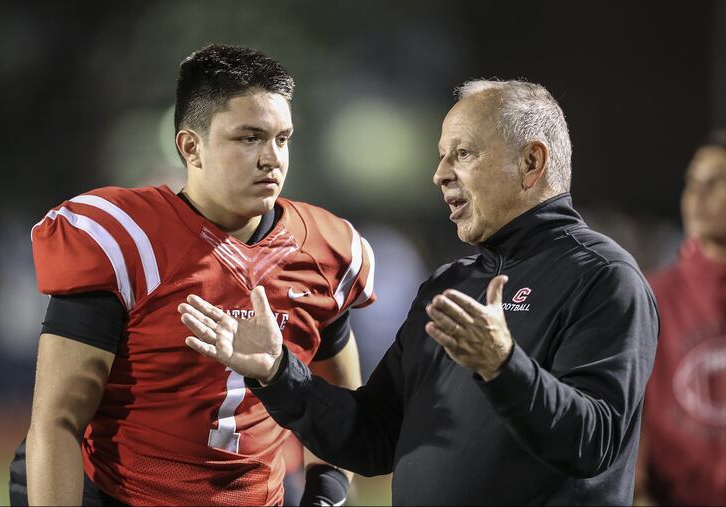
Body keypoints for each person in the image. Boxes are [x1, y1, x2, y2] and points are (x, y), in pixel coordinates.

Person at [179, 79, 659, 505]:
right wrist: (279, 373)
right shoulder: (451, 284)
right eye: (442, 155)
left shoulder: (602, 277)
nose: (441, 173)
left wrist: (503, 365)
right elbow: (374, 437)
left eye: (464, 154)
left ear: (531, 162)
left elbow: (593, 443)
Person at [8, 44, 375, 506]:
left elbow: (342, 413)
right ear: (190, 147)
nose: (272, 158)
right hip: (119, 495)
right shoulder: (123, 239)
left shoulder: (326, 250)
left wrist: (326, 496)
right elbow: (57, 419)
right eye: (248, 138)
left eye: (283, 138)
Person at [635, 130, 726, 506]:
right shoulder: (651, 298)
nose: (697, 196)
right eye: (692, 182)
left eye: (717, 182)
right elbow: (630, 432)